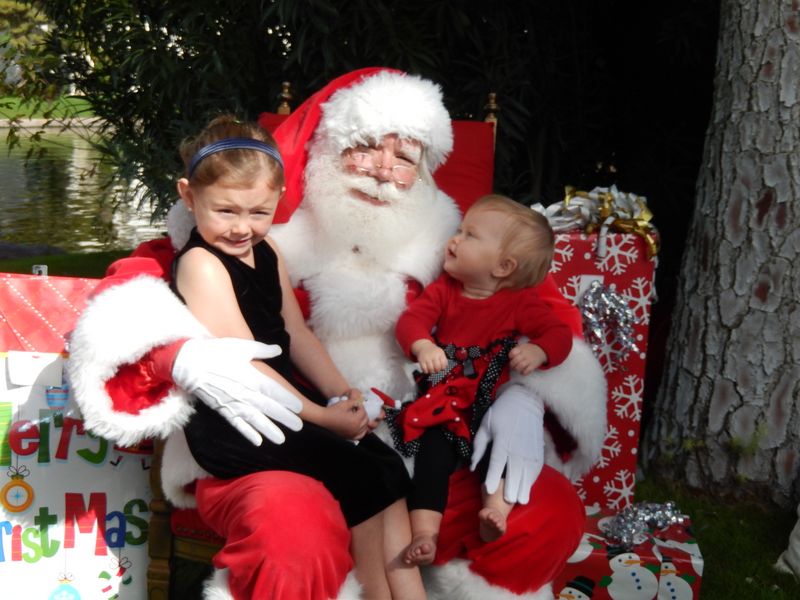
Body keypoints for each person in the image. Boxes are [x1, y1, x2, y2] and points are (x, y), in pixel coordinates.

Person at [67, 68, 608, 600]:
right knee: (294, 535)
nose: (381, 170)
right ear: (329, 146)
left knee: (549, 512)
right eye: (367, 147)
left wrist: (523, 397)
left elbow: (542, 309)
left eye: (404, 158)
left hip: (422, 437)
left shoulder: (457, 238)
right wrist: (178, 354)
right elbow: (137, 285)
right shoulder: (263, 220)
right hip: (279, 431)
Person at [170, 114, 425, 599]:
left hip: (285, 403)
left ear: (278, 200)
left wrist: (341, 392)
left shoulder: (268, 253)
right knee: (365, 474)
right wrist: (325, 420)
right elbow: (248, 367)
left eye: (259, 212)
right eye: (225, 211)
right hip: (241, 421)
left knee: (383, 463)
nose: (243, 228)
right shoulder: (202, 264)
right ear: (189, 195)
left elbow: (296, 333)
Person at [384, 194, 573, 565]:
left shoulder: (520, 302)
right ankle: (425, 532)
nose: (454, 239)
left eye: (469, 235)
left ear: (503, 266)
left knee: (497, 449)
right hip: (445, 399)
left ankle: (495, 510)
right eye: (458, 229)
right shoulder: (445, 290)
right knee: (432, 455)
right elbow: (411, 321)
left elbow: (559, 333)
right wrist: (422, 345)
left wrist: (538, 351)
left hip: (489, 402)